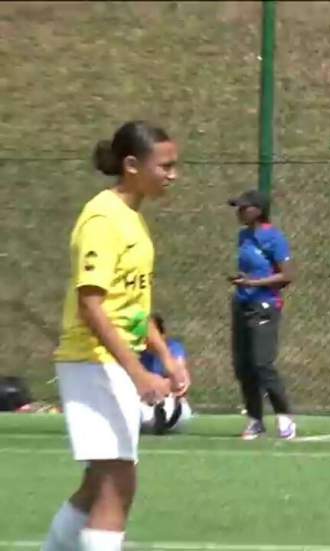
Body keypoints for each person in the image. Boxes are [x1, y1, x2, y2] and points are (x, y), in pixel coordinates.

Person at [42, 121, 189, 551]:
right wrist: (139, 375)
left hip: (106, 362)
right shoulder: (102, 218)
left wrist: (165, 357)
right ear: (131, 165)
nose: (173, 174)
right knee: (118, 482)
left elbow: (135, 307)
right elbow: (91, 305)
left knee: (97, 483)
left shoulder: (132, 218)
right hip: (92, 362)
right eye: (165, 165)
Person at [227, 189, 297, 440]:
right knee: (243, 365)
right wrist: (241, 283)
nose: (239, 212)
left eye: (244, 208)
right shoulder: (243, 237)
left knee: (262, 363)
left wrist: (254, 284)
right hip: (242, 305)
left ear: (257, 210)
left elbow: (286, 275)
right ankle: (255, 419)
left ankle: (284, 415)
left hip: (264, 305)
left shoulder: (273, 238)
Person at [138, 314, 193, 435]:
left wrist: (165, 388)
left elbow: (181, 380)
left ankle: (163, 418)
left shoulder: (173, 348)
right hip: (143, 400)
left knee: (176, 409)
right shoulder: (135, 351)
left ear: (162, 335)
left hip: (168, 399)